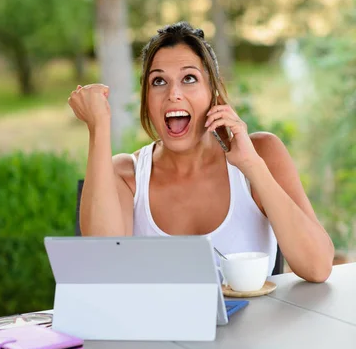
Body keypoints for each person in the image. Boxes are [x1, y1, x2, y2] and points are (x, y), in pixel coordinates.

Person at [68, 21, 334, 282]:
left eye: (189, 78)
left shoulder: (262, 153)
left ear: (213, 92)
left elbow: (317, 267)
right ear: (146, 98)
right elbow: (102, 274)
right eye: (158, 81)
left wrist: (252, 165)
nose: (173, 94)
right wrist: (98, 128)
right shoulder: (126, 176)